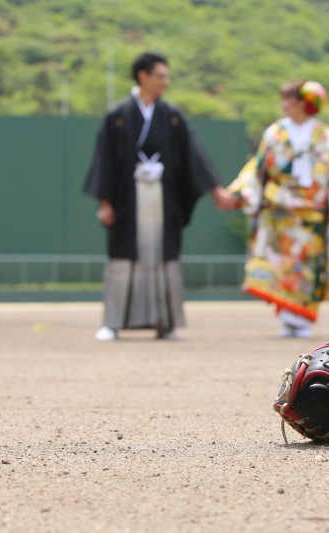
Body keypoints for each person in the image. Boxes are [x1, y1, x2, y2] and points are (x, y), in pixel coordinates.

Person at [83, 51, 235, 341]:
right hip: (128, 196)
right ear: (143, 76)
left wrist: (215, 188)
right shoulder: (117, 116)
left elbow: (193, 154)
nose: (166, 81)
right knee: (123, 256)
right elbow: (104, 160)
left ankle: (165, 322)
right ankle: (113, 322)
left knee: (163, 256)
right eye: (160, 75)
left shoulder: (172, 116)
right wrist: (105, 202)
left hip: (163, 198)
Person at [226, 80, 329, 338]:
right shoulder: (275, 132)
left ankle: (302, 318)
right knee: (283, 263)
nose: (284, 104)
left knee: (308, 263)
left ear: (303, 103)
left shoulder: (324, 134)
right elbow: (260, 167)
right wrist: (242, 189)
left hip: (314, 212)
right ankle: (289, 318)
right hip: (281, 209)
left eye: (289, 99)